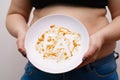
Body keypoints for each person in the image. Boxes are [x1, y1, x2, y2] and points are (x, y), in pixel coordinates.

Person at [6, 0, 120, 80]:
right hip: (40, 70)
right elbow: (16, 13)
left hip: (96, 70)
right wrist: (21, 32)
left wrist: (100, 37)